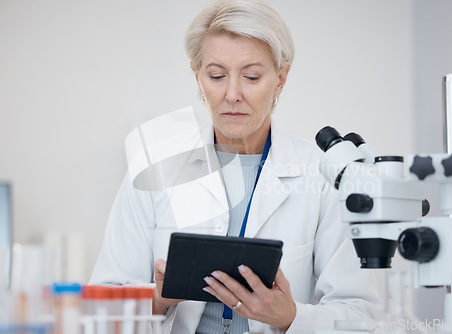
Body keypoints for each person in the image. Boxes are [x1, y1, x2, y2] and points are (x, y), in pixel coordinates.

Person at [90, 0, 382, 333]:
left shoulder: (324, 175)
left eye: (252, 76)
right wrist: (156, 298)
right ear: (197, 76)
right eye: (216, 75)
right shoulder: (154, 169)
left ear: (281, 78)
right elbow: (102, 308)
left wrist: (290, 317)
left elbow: (361, 317)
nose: (232, 94)